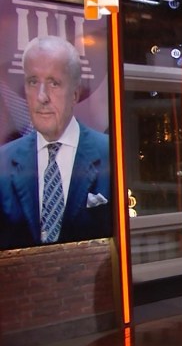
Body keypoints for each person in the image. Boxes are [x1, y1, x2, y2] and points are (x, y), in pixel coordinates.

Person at [0, 35, 111, 250]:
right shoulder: (2, 162)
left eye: (54, 83)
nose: (42, 97)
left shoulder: (110, 153)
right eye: (33, 82)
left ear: (75, 94)